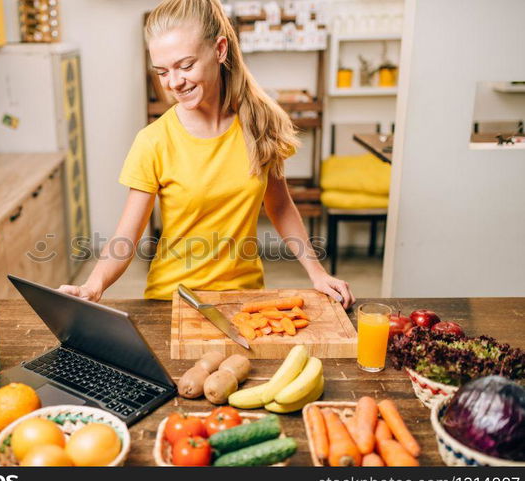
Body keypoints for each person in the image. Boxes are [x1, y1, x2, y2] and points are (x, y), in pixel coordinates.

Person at [60, 0, 355, 309]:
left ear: (220, 49)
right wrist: (93, 286)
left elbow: (280, 206)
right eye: (162, 71)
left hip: (245, 298)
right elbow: (127, 237)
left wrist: (317, 272)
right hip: (172, 301)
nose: (174, 82)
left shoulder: (258, 124)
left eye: (185, 65)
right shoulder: (153, 141)